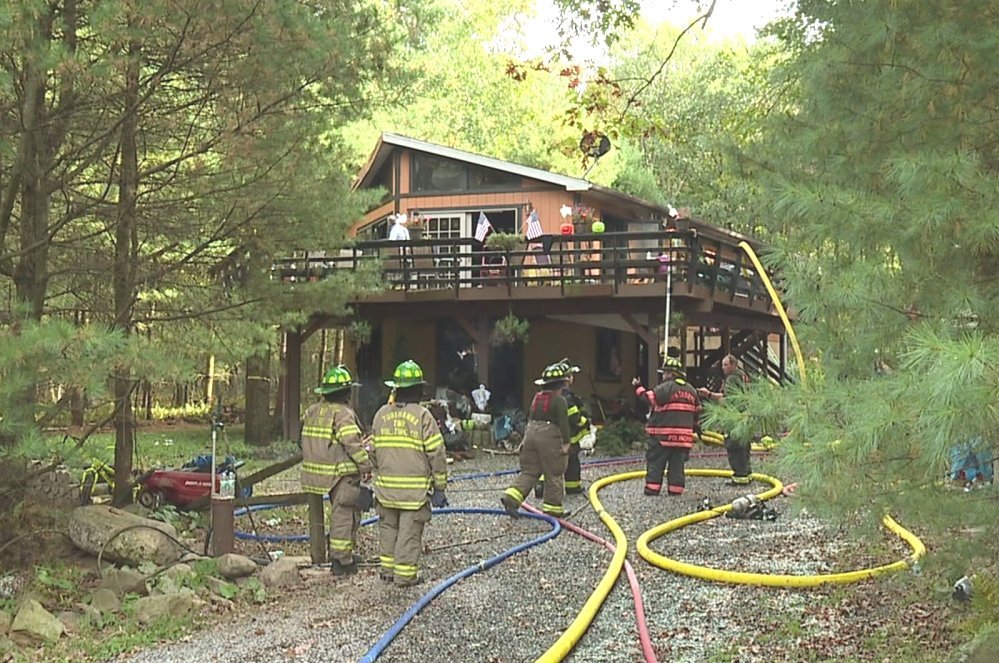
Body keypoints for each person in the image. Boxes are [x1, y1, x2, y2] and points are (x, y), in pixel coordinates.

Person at [370, 359, 448, 587]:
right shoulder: (423, 416)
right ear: (419, 389)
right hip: (413, 493)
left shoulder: (381, 414)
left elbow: (372, 452)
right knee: (409, 531)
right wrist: (440, 487)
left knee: (387, 528)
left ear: (395, 388)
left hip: (385, 489)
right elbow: (437, 453)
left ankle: (387, 570)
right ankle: (404, 575)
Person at [299, 365, 371, 576]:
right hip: (339, 473)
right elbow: (351, 443)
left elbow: (301, 441)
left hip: (314, 473)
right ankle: (341, 561)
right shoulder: (343, 414)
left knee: (338, 513)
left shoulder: (312, 411)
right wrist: (366, 465)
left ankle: (337, 552)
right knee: (344, 513)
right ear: (346, 392)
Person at [501, 362, 573, 518]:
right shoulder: (559, 400)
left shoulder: (537, 398)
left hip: (530, 434)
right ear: (561, 384)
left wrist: (524, 441)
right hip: (549, 437)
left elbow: (530, 418)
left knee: (530, 471)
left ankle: (511, 498)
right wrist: (567, 444)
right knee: (554, 472)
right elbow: (563, 423)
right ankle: (553, 510)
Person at [632, 357, 701, 496]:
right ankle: (675, 490)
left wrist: (638, 387)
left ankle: (652, 489)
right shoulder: (692, 391)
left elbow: (648, 399)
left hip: (662, 437)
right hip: (683, 439)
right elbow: (697, 414)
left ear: (671, 374)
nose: (663, 376)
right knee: (677, 466)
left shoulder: (666, 387)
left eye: (664, 373)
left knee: (656, 463)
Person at [535, 359, 592, 497]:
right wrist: (585, 421)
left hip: (553, 436)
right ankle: (572, 487)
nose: (573, 378)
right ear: (566, 379)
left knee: (551, 461)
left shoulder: (551, 395)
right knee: (570, 463)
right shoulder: (567, 397)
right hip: (569, 438)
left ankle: (543, 483)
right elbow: (574, 417)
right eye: (571, 375)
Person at [698, 354, 752, 486]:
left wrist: (709, 395)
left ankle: (740, 476)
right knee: (744, 445)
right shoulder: (743, 376)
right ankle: (747, 473)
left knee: (734, 446)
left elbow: (727, 400)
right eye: (722, 365)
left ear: (733, 365)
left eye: (726, 365)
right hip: (745, 416)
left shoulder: (732, 379)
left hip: (734, 417)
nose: (723, 368)